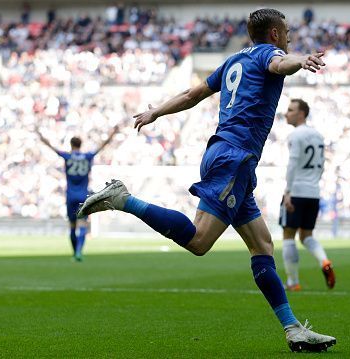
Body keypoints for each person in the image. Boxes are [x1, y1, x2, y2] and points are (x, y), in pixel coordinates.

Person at [78, 8, 336, 352]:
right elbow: (279, 64)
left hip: (229, 156)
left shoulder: (233, 61)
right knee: (199, 242)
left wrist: (156, 111)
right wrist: (300, 60)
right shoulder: (271, 54)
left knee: (263, 246)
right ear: (274, 34)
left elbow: (191, 95)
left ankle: (292, 329)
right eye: (286, 32)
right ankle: (123, 199)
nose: (288, 38)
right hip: (235, 158)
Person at [35, 125, 119, 261]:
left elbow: (53, 148)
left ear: (71, 145)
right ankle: (79, 252)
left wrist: (42, 138)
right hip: (83, 195)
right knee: (83, 224)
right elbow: (102, 146)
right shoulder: (87, 156)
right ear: (80, 145)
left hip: (70, 196)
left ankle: (75, 254)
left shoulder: (67, 156)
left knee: (72, 226)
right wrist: (113, 133)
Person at [279, 99, 335, 292]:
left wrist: (288, 191)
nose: (286, 114)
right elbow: (322, 164)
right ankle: (324, 260)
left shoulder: (296, 135)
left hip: (297, 191)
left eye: (290, 110)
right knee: (306, 235)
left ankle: (293, 282)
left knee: (288, 235)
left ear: (301, 114)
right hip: (313, 192)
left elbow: (293, 162)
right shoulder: (318, 136)